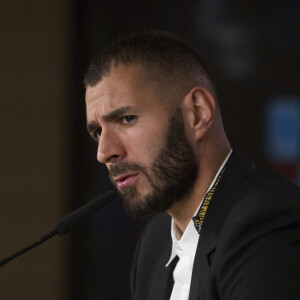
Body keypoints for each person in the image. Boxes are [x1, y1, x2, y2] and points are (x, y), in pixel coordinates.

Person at [84, 31, 300, 300]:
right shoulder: (155, 242)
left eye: (127, 119)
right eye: (97, 133)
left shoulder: (264, 222)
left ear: (197, 113)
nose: (104, 152)